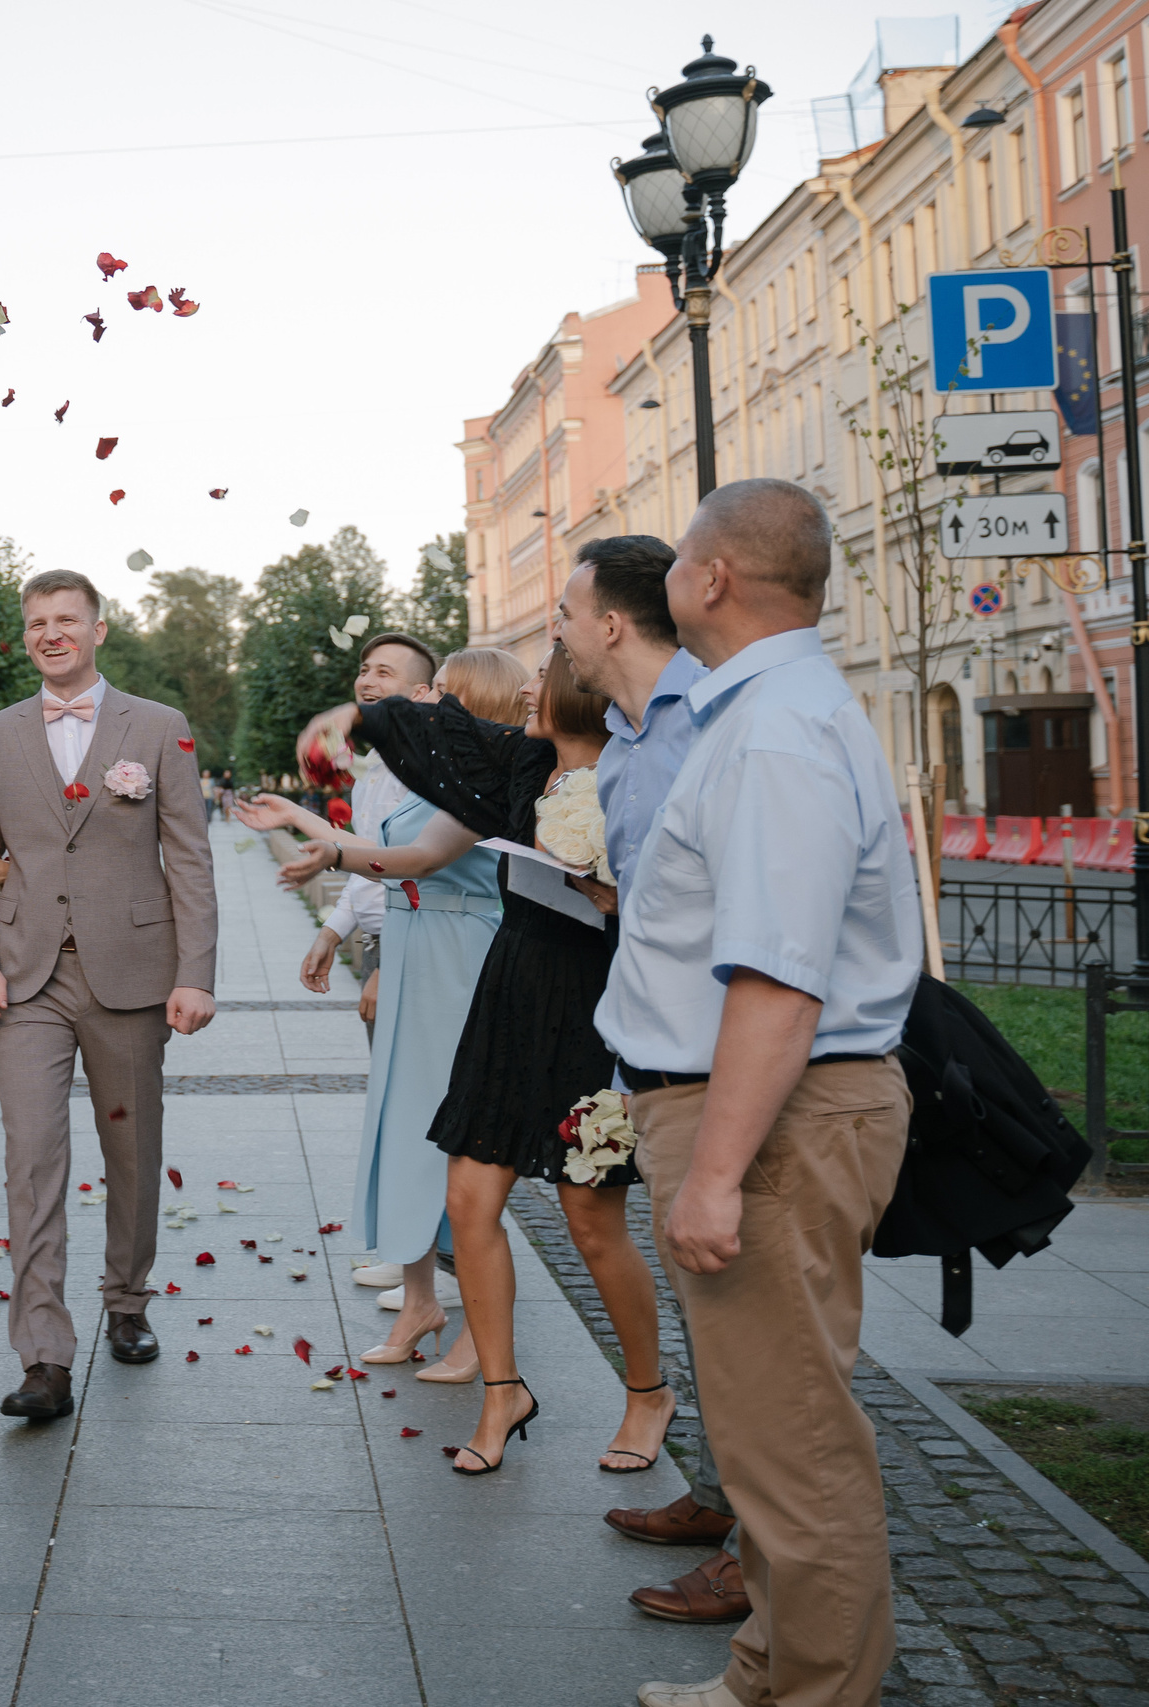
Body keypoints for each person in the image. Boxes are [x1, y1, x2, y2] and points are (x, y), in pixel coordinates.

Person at [613, 480, 921, 1707]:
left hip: (770, 1119)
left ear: (713, 577)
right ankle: (767, 1674)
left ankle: (814, 1692)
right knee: (766, 1430)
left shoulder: (774, 730)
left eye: (677, 557)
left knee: (790, 1445)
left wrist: (715, 1174)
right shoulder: (769, 711)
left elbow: (780, 980)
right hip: (765, 1111)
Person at [272, 647, 671, 1480]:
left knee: (591, 1220)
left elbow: (683, 896)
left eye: (545, 672)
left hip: (590, 1008)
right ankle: (501, 1391)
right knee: (468, 1196)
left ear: (583, 691)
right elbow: (438, 761)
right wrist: (354, 721)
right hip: (509, 991)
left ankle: (648, 1392)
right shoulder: (522, 765)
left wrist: (620, 895)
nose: (528, 685)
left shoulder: (640, 776)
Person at [0, 569, 217, 1422]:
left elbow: (189, 856)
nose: (51, 633)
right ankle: (43, 1356)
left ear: (98, 630)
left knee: (132, 1149)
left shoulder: (160, 725)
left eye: (66, 619)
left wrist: (195, 972)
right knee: (31, 1159)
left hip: (132, 973)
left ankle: (127, 1299)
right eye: (37, 622)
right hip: (26, 977)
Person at [555, 543, 749, 1627]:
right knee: (704, 1310)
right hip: (657, 1062)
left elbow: (748, 909)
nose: (557, 630)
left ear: (613, 623)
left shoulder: (710, 723)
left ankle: (759, 1553)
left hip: (725, 1068)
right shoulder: (626, 742)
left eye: (566, 611)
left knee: (752, 1327)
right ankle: (719, 1496)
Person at [237, 648, 521, 1379]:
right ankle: (419, 1301)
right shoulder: (435, 774)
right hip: (417, 945)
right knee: (404, 1125)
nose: (430, 706)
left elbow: (421, 859)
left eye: (445, 695)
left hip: (460, 955)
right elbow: (378, 848)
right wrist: (298, 816)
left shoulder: (487, 778)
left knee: (459, 1140)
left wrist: (330, 855)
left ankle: (480, 1329)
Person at [295, 634, 440, 1052]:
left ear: (420, 694)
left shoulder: (426, 769)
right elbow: (368, 860)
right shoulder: (374, 764)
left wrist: (390, 966)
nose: (367, 681)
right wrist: (333, 931)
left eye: (384, 672)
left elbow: (422, 874)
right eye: (363, 670)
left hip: (411, 951)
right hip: (378, 945)